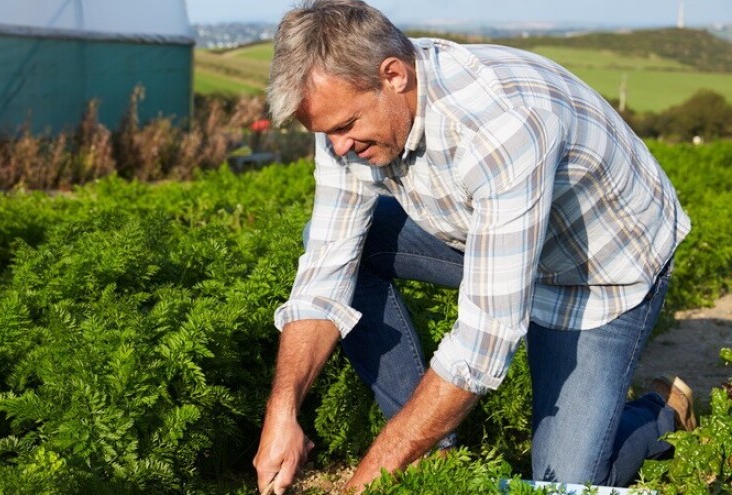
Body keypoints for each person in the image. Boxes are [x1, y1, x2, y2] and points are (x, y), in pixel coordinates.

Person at [252, 1, 696, 493]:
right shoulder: (346, 114)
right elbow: (327, 265)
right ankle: (431, 453)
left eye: (344, 127)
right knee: (340, 244)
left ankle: (659, 411)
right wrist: (282, 411)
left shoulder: (501, 126)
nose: (337, 147)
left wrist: (371, 479)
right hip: (488, 233)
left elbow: (484, 338)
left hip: (598, 269)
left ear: (394, 75)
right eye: (326, 132)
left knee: (566, 482)